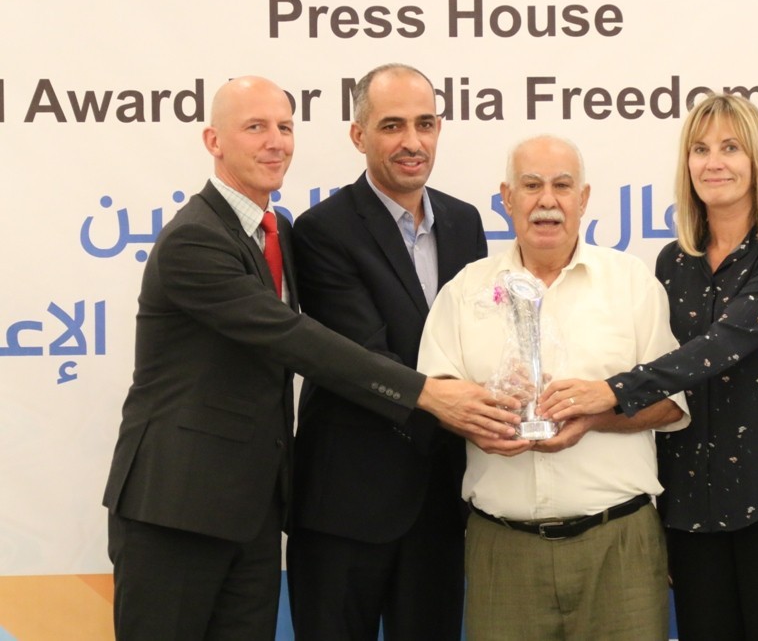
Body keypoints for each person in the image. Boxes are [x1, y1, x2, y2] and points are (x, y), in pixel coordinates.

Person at [101, 75, 519, 641]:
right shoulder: (194, 240)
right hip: (177, 504)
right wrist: (428, 393)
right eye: (255, 127)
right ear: (213, 140)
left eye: (284, 127)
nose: (275, 142)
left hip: (253, 508)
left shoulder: (272, 232)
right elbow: (296, 339)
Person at [539, 93, 758, 641]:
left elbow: (722, 346)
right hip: (692, 504)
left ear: (757, 160)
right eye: (700, 149)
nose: (713, 162)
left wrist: (611, 390)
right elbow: (668, 374)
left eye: (730, 147)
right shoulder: (673, 262)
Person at [417, 134, 689, 641]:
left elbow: (671, 405)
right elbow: (437, 394)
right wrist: (483, 417)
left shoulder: (630, 283)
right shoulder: (465, 290)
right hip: (503, 551)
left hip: (619, 546)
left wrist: (595, 415)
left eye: (562, 186)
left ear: (583, 199)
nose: (547, 200)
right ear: (506, 198)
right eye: (531, 185)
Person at [285, 63, 485, 641]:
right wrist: (465, 408)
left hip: (442, 501)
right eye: (392, 126)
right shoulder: (322, 230)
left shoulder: (464, 221)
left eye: (425, 124)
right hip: (348, 504)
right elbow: (361, 357)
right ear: (359, 135)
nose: (412, 142)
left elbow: (477, 340)